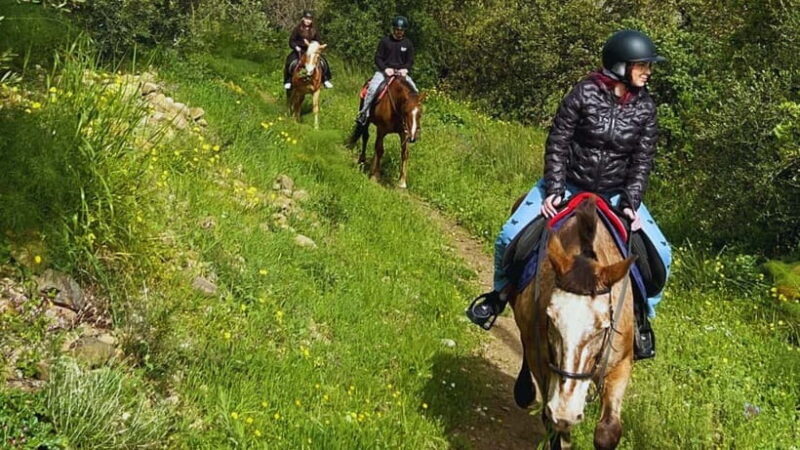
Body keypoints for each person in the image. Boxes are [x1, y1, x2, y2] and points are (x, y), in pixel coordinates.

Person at [466, 30, 672, 358]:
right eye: (643, 65)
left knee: (663, 253)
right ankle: (498, 297)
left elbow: (642, 160)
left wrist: (632, 203)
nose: (648, 71)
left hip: (616, 194)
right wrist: (555, 189)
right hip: (571, 185)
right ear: (621, 66)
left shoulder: (646, 108)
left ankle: (642, 319)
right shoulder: (583, 93)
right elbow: (558, 142)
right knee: (508, 236)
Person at [354, 15, 417, 125]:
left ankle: (414, 116)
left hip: (401, 74)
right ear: (393, 29)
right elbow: (378, 58)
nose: (399, 32)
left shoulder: (408, 44)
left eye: (401, 30)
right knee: (372, 89)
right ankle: (364, 114)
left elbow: (410, 60)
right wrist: (385, 69)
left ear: (404, 31)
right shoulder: (385, 41)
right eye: (397, 29)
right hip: (385, 72)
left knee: (415, 91)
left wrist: (406, 69)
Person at [284, 10, 333, 90]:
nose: (308, 21)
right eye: (306, 19)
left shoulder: (314, 30)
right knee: (290, 61)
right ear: (303, 19)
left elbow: (318, 40)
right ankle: (288, 80)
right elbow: (291, 41)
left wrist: (316, 46)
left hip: (311, 50)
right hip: (300, 50)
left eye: (309, 19)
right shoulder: (297, 29)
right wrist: (296, 47)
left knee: (323, 62)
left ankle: (326, 79)